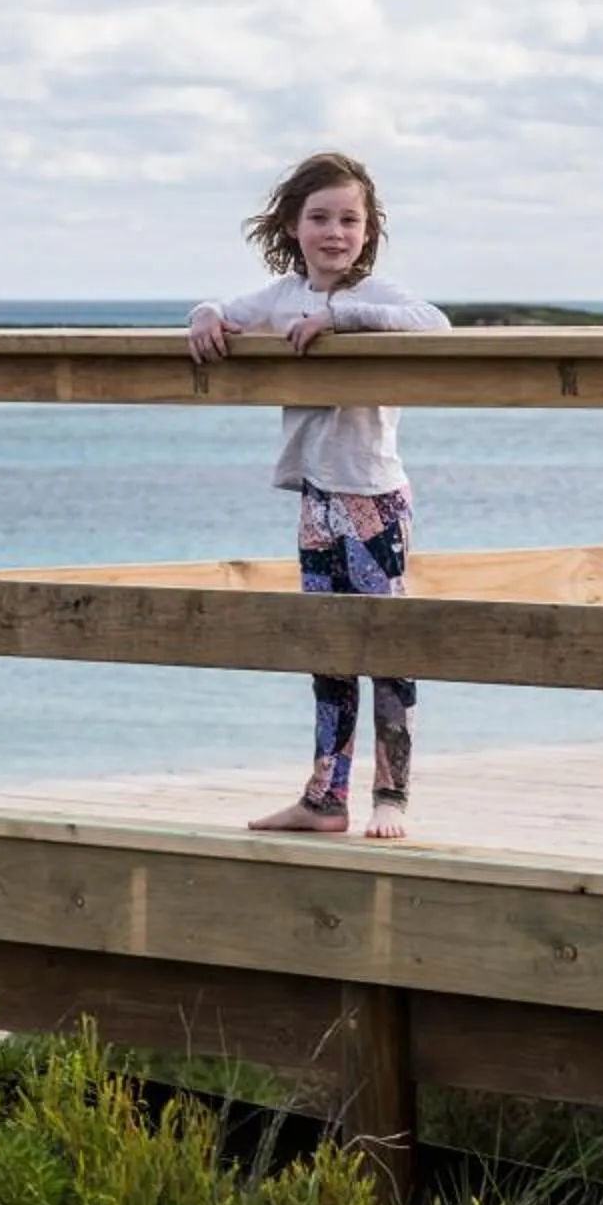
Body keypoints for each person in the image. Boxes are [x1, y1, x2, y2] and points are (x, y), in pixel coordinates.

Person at [187, 151, 449, 839]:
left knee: (387, 648)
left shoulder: (380, 296)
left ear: (369, 229)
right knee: (327, 648)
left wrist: (344, 320)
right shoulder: (282, 296)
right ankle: (324, 798)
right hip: (318, 500)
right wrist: (205, 314)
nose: (336, 232)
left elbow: (434, 324)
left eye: (350, 220)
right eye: (320, 218)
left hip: (375, 499)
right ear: (293, 225)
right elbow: (224, 309)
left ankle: (391, 796)